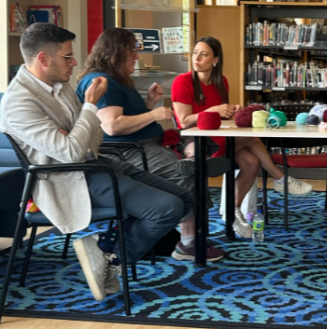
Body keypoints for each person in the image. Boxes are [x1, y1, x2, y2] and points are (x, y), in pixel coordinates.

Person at [0, 23, 196, 302]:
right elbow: (71, 153)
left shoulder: (59, 85)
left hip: (96, 163)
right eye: (67, 57)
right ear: (43, 59)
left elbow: (93, 137)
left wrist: (78, 133)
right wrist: (89, 108)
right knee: (168, 208)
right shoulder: (19, 102)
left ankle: (104, 250)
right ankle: (113, 258)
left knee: (185, 198)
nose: (75, 62)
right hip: (68, 179)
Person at [75, 27, 223, 263]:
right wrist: (153, 115)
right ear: (116, 52)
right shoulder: (102, 83)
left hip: (144, 145)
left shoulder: (115, 81)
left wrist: (148, 103)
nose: (136, 56)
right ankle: (188, 243)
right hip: (129, 151)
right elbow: (112, 126)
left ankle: (190, 230)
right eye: (132, 51)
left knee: (193, 164)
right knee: (188, 173)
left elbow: (124, 117)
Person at [171, 36, 313, 240]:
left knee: (252, 162)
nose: (197, 58)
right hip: (197, 140)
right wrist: (213, 110)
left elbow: (220, 117)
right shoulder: (182, 81)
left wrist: (231, 111)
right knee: (252, 140)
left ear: (215, 60)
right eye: (195, 53)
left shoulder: (221, 82)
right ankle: (279, 178)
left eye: (203, 54)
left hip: (218, 136)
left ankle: (234, 210)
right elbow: (184, 122)